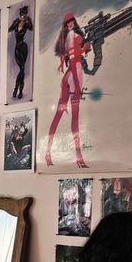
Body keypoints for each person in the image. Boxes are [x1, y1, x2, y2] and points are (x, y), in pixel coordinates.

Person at [45, 12, 91, 168]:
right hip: (73, 77)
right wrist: (77, 86)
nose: (71, 23)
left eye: (72, 21)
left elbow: (75, 55)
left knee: (59, 117)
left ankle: (48, 153)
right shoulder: (71, 35)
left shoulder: (69, 36)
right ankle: (78, 158)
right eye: (68, 22)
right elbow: (73, 58)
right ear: (65, 25)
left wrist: (84, 49)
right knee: (74, 121)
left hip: (70, 77)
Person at [8, 5, 33, 99]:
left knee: (22, 69)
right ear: (20, 15)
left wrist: (28, 20)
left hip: (24, 47)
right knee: (22, 69)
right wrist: (16, 22)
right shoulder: (17, 22)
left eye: (25, 15)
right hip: (17, 48)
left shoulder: (26, 23)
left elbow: (31, 28)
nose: (23, 16)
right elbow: (9, 29)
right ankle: (16, 89)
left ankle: (19, 91)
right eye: (22, 15)